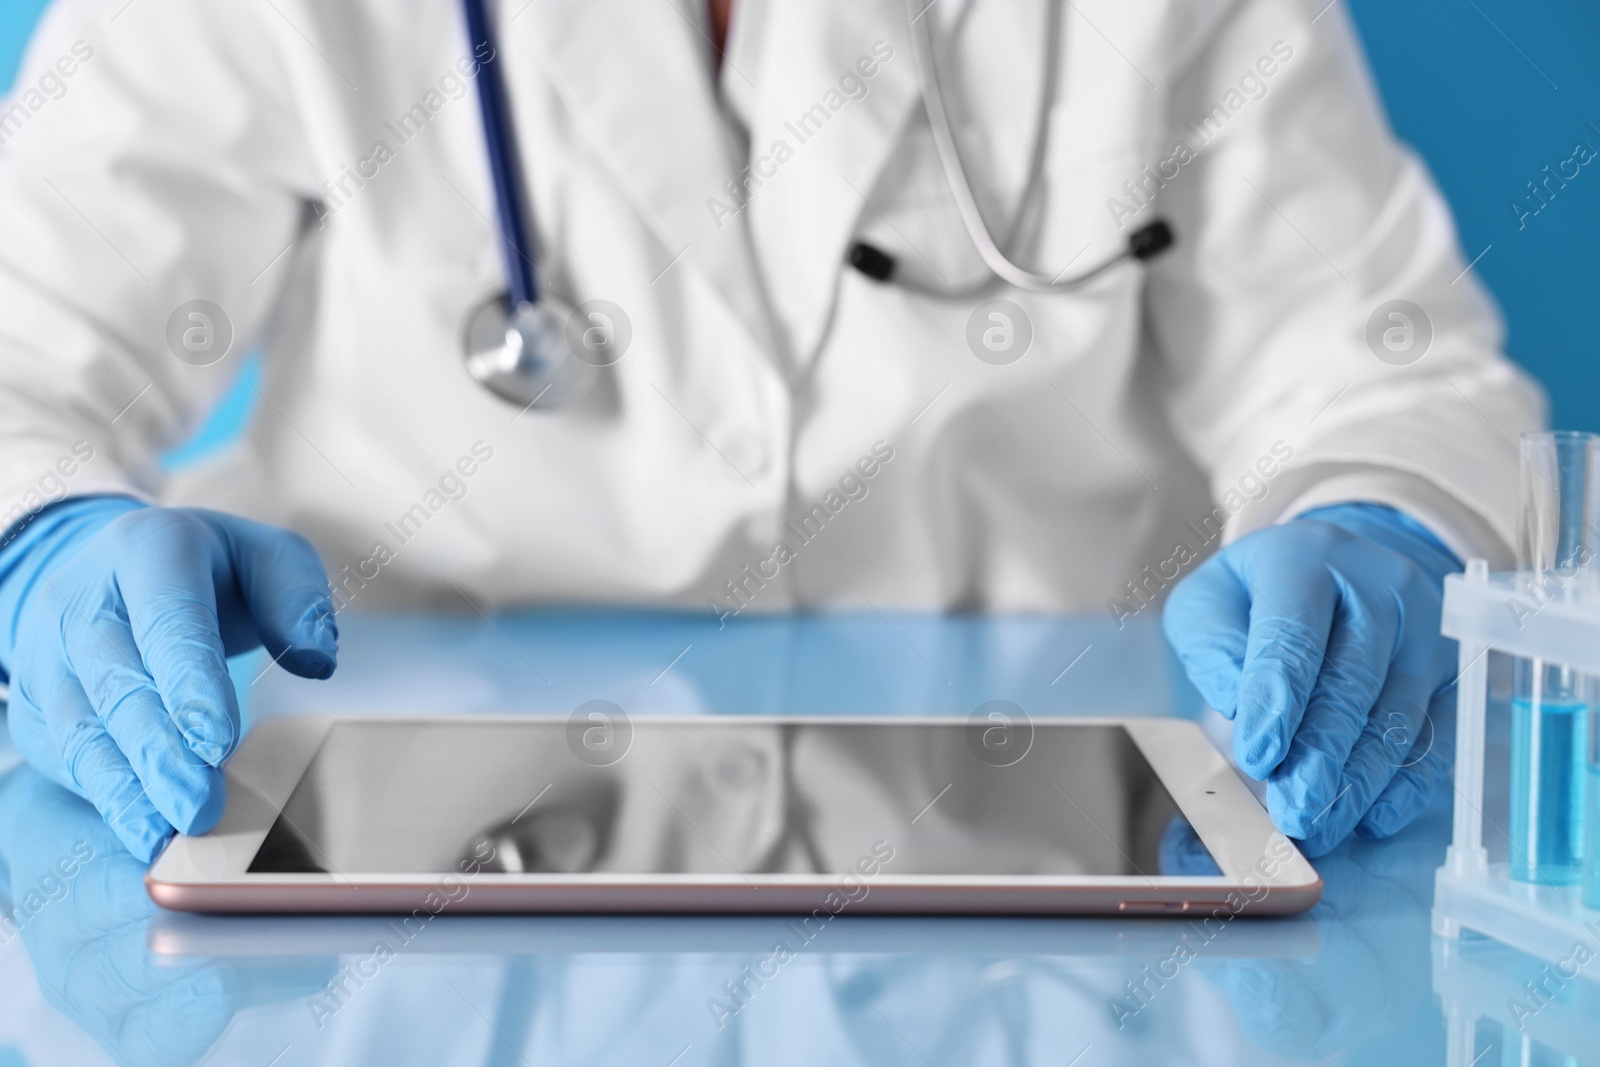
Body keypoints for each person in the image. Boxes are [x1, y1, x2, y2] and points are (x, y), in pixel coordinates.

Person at [0, 0, 1542, 864]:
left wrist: (1380, 529)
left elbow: (1382, 370)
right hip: (397, 875)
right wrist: (48, 538)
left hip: (1054, 854)